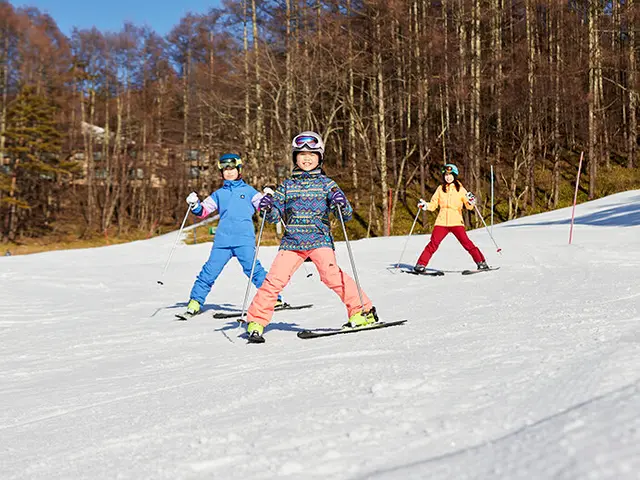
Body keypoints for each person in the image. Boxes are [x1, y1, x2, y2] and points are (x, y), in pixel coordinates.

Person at [244, 131, 378, 341]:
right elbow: (273, 217)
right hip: (292, 242)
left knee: (331, 275)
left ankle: (363, 311)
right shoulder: (287, 186)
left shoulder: (327, 184)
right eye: (302, 154)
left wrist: (340, 203)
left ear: (320, 158)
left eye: (312, 154)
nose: (307, 158)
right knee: (274, 280)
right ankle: (256, 320)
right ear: (295, 157)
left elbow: (347, 214)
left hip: (319, 240)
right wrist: (267, 208)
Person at [181, 153, 284, 318]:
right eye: (225, 170)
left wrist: (268, 201)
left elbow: (264, 209)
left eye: (232, 169)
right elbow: (203, 211)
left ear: (239, 170)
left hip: (244, 239)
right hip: (222, 241)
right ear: (221, 173)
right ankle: (195, 301)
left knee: (254, 271)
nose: (229, 172)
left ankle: (274, 298)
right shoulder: (218, 194)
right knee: (209, 271)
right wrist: (194, 205)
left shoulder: (249, 191)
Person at [413, 163, 489, 273]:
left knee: (466, 243)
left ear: (455, 176)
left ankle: (481, 263)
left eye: (450, 175)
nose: (448, 177)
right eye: (446, 175)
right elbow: (433, 205)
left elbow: (469, 206)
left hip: (456, 222)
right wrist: (425, 205)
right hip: (441, 222)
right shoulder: (440, 189)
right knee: (433, 244)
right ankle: (420, 264)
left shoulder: (461, 190)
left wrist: (472, 201)